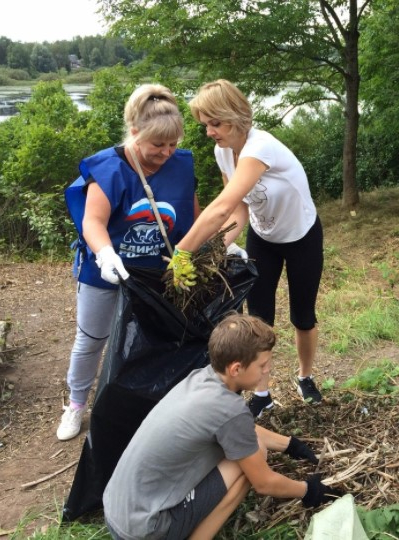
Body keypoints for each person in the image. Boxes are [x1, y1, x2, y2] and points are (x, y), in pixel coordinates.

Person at [103, 313, 341, 540]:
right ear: (236, 368)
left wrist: (290, 445)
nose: (268, 370)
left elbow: (236, 428)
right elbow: (263, 482)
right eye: (263, 365)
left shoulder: (201, 378)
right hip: (148, 530)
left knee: (246, 447)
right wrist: (309, 491)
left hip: (117, 513)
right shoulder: (230, 409)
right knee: (253, 458)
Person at [168, 79, 324, 417]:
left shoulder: (260, 147)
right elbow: (238, 210)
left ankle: (305, 376)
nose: (209, 132)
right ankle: (263, 393)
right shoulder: (223, 151)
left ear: (236, 116)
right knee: (258, 319)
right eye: (205, 124)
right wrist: (216, 249)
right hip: (264, 239)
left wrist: (183, 250)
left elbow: (221, 206)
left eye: (215, 123)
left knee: (303, 316)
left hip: (302, 238)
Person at [57, 84, 200, 441]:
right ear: (135, 132)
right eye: (157, 145)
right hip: (107, 269)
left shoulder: (180, 164)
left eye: (173, 144)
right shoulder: (109, 169)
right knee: (92, 338)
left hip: (157, 269)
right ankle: (75, 405)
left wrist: (213, 247)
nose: (166, 153)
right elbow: (92, 222)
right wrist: (105, 255)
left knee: (153, 337)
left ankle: (147, 402)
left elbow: (194, 217)